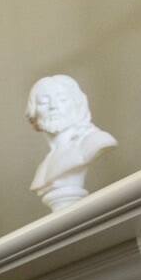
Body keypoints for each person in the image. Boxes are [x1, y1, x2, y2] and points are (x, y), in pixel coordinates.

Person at [26, 74, 117, 211]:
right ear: (34, 112)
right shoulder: (44, 165)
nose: (53, 107)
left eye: (62, 99)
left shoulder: (95, 141)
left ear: (77, 104)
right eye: (44, 102)